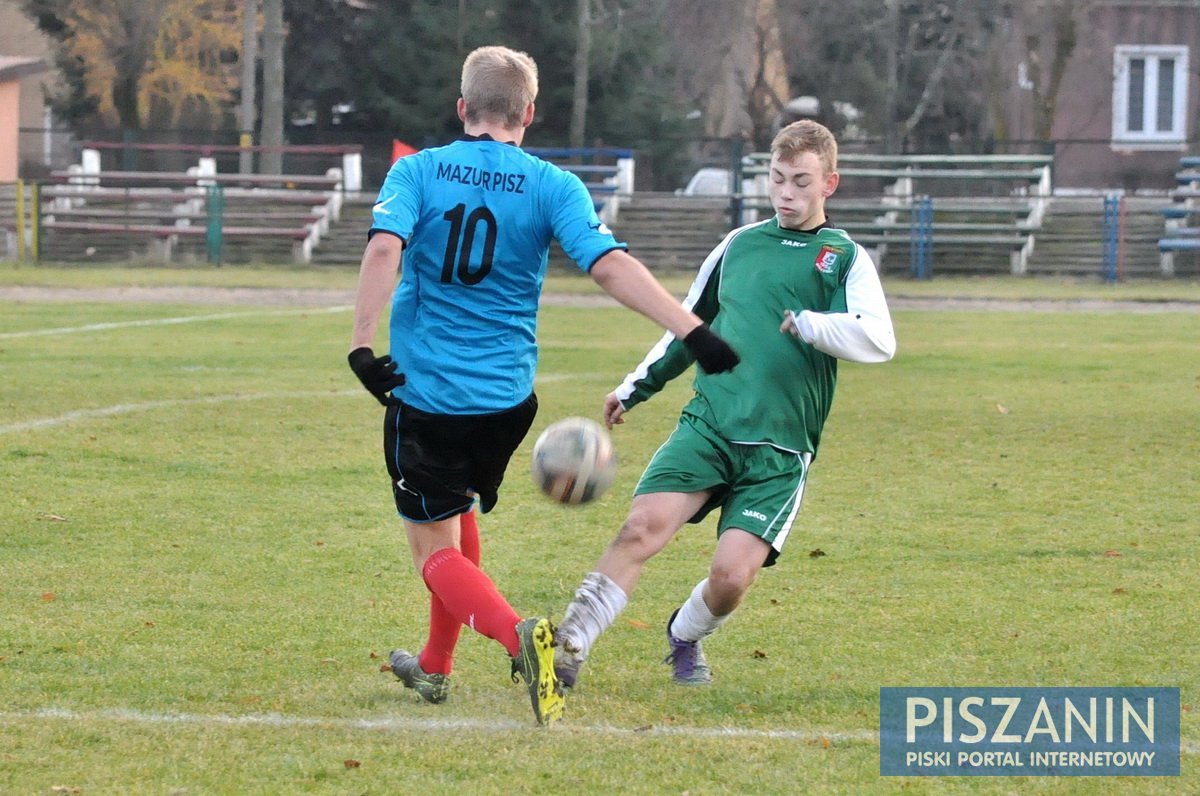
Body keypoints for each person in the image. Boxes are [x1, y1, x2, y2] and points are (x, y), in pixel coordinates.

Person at [346, 45, 739, 726]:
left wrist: (360, 344)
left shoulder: (419, 171)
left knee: (431, 550)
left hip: (430, 397)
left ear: (463, 108)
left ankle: (518, 635)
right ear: (529, 113)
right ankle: (435, 667)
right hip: (507, 403)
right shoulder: (552, 184)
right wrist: (691, 330)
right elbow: (609, 265)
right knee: (456, 511)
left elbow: (385, 248)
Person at [554, 119, 896, 690]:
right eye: (778, 179)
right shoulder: (739, 245)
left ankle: (685, 635)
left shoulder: (844, 258)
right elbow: (688, 324)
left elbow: (878, 338)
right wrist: (636, 386)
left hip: (781, 450)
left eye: (801, 182)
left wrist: (814, 326)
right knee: (641, 527)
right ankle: (568, 647)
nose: (786, 194)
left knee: (731, 578)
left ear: (829, 184)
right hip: (710, 426)